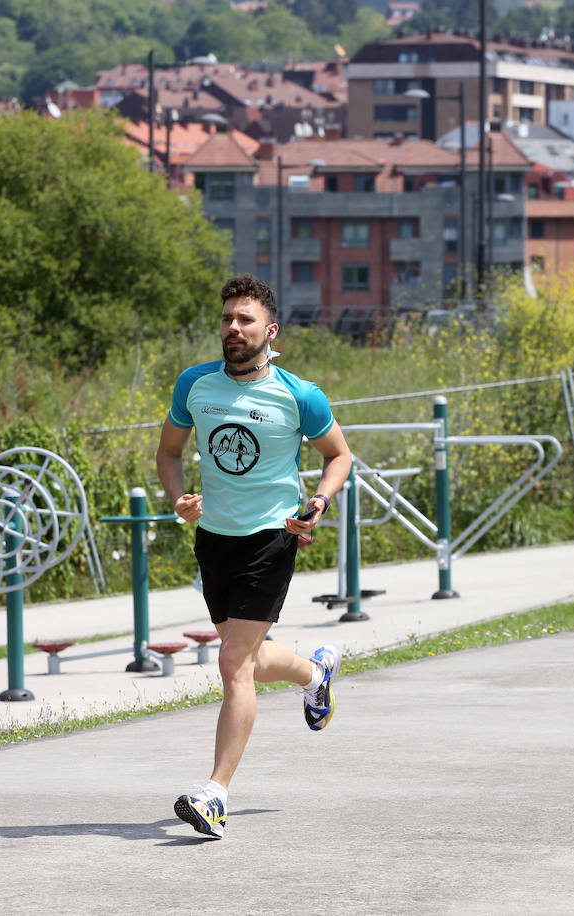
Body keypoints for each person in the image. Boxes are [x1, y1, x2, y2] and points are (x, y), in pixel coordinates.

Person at [155, 274, 353, 839]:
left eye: (245, 320)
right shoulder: (194, 384)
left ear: (270, 331)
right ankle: (316, 674)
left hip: (272, 537)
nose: (233, 328)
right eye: (227, 319)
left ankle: (214, 794)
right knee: (246, 659)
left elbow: (339, 456)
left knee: (232, 664)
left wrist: (319, 501)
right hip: (214, 537)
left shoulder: (300, 395)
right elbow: (169, 452)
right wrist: (179, 499)